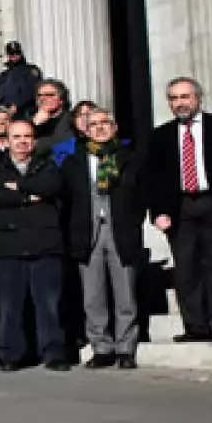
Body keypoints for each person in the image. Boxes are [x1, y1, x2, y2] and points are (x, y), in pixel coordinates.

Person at [146, 76, 212, 342]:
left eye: (185, 97)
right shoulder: (161, 135)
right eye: (174, 99)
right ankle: (196, 328)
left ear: (198, 98)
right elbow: (153, 178)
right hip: (180, 208)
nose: (180, 103)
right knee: (186, 271)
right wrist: (158, 212)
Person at [61, 106, 145, 369]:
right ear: (85, 129)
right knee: (93, 295)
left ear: (114, 127)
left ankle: (126, 347)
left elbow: (140, 195)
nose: (99, 128)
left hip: (120, 229)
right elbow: (68, 199)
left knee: (125, 292)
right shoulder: (74, 161)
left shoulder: (129, 157)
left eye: (105, 123)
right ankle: (101, 347)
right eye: (93, 124)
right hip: (88, 231)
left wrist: (133, 221)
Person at [0, 119, 69, 372]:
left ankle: (53, 353)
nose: (22, 142)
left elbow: (51, 187)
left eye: (27, 137)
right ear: (7, 140)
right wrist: (31, 197)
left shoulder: (48, 165)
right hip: (8, 245)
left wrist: (19, 187)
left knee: (48, 304)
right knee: (10, 305)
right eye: (17, 137)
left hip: (45, 244)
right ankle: (11, 355)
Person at [0, 41, 42, 118]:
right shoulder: (4, 75)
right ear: (8, 56)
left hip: (25, 112)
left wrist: (16, 105)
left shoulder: (30, 70)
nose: (15, 56)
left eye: (17, 53)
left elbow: (32, 91)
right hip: (7, 115)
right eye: (12, 54)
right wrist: (1, 110)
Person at [31, 79, 75, 159]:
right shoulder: (27, 121)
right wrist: (35, 125)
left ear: (61, 100)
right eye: (39, 95)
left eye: (49, 95)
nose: (42, 98)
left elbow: (64, 143)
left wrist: (40, 143)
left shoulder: (72, 119)